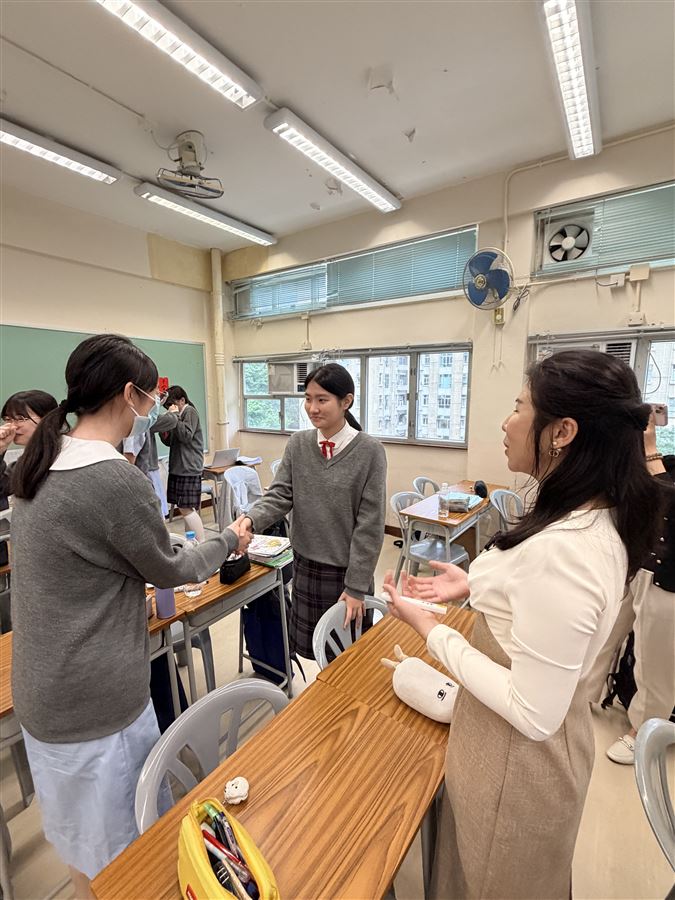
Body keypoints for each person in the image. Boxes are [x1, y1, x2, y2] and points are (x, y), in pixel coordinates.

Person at [382, 350, 662, 899]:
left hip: (517, 767)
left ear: (562, 431)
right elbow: (539, 609)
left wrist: (431, 630)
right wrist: (476, 586)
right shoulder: (588, 514)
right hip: (522, 753)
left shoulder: (565, 552)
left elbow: (533, 713)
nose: (506, 422)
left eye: (518, 407)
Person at [10, 334, 250, 897]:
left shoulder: (40, 464)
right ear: (128, 394)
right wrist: (228, 541)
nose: (154, 407)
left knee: (78, 840)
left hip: (44, 691)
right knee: (127, 850)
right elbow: (170, 567)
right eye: (150, 396)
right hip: (96, 699)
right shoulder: (112, 477)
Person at [242, 363, 387, 659]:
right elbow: (280, 494)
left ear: (346, 402)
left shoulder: (370, 451)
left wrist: (356, 587)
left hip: (347, 572)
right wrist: (250, 519)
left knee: (349, 658)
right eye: (308, 399)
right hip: (306, 566)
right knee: (315, 653)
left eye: (322, 399)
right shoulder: (298, 444)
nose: (312, 408)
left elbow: (370, 525)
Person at [587, 411, 675, 764]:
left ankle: (643, 733)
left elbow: (669, 502)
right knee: (603, 634)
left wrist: (650, 448)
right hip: (641, 564)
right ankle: (582, 695)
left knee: (654, 665)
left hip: (669, 582)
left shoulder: (659, 459)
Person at [0, 391, 58, 568]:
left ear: (47, 418)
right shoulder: (28, 459)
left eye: (20, 418)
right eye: (8, 419)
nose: (12, 426)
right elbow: (3, 487)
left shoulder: (65, 453)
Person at [161, 385, 205, 541]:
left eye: (172, 404)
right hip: (178, 467)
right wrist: (164, 426)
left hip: (189, 467)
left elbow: (186, 436)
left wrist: (175, 417)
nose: (170, 408)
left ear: (182, 400)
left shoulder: (189, 411)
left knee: (186, 509)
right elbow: (170, 441)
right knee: (186, 508)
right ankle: (191, 542)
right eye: (167, 406)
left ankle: (201, 543)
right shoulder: (177, 415)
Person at [123, 406, 177, 517]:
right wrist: (173, 413)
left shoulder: (141, 420)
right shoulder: (140, 421)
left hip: (145, 473)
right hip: (142, 475)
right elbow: (129, 458)